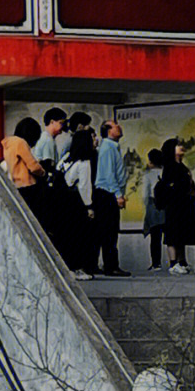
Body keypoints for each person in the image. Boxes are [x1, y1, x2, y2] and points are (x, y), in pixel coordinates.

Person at [56, 127, 98, 280]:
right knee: (79, 236)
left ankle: (67, 267)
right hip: (75, 202)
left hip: (61, 201)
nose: (95, 141)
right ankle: (78, 268)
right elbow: (84, 186)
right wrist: (89, 206)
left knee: (66, 236)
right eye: (92, 138)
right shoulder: (84, 162)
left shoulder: (67, 157)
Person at [158, 137, 195, 274]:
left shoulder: (182, 166)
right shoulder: (170, 167)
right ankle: (173, 263)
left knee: (182, 234)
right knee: (173, 234)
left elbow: (189, 181)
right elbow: (171, 187)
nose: (181, 147)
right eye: (178, 146)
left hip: (185, 204)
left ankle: (183, 261)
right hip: (175, 205)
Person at [92, 119, 129, 275]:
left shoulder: (113, 147)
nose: (119, 127)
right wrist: (118, 194)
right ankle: (111, 266)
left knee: (109, 231)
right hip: (107, 193)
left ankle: (109, 265)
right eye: (115, 125)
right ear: (108, 130)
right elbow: (108, 175)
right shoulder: (107, 148)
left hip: (108, 193)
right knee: (109, 231)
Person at [2, 117, 46, 220]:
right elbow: (33, 166)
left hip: (15, 184)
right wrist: (44, 173)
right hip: (27, 186)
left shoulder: (8, 143)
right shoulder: (20, 143)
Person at [141, 149, 166, 270]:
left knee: (155, 237)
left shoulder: (148, 175)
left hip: (153, 205)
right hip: (167, 207)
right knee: (170, 236)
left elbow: (144, 194)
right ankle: (175, 261)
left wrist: (146, 205)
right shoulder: (166, 172)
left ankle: (156, 263)